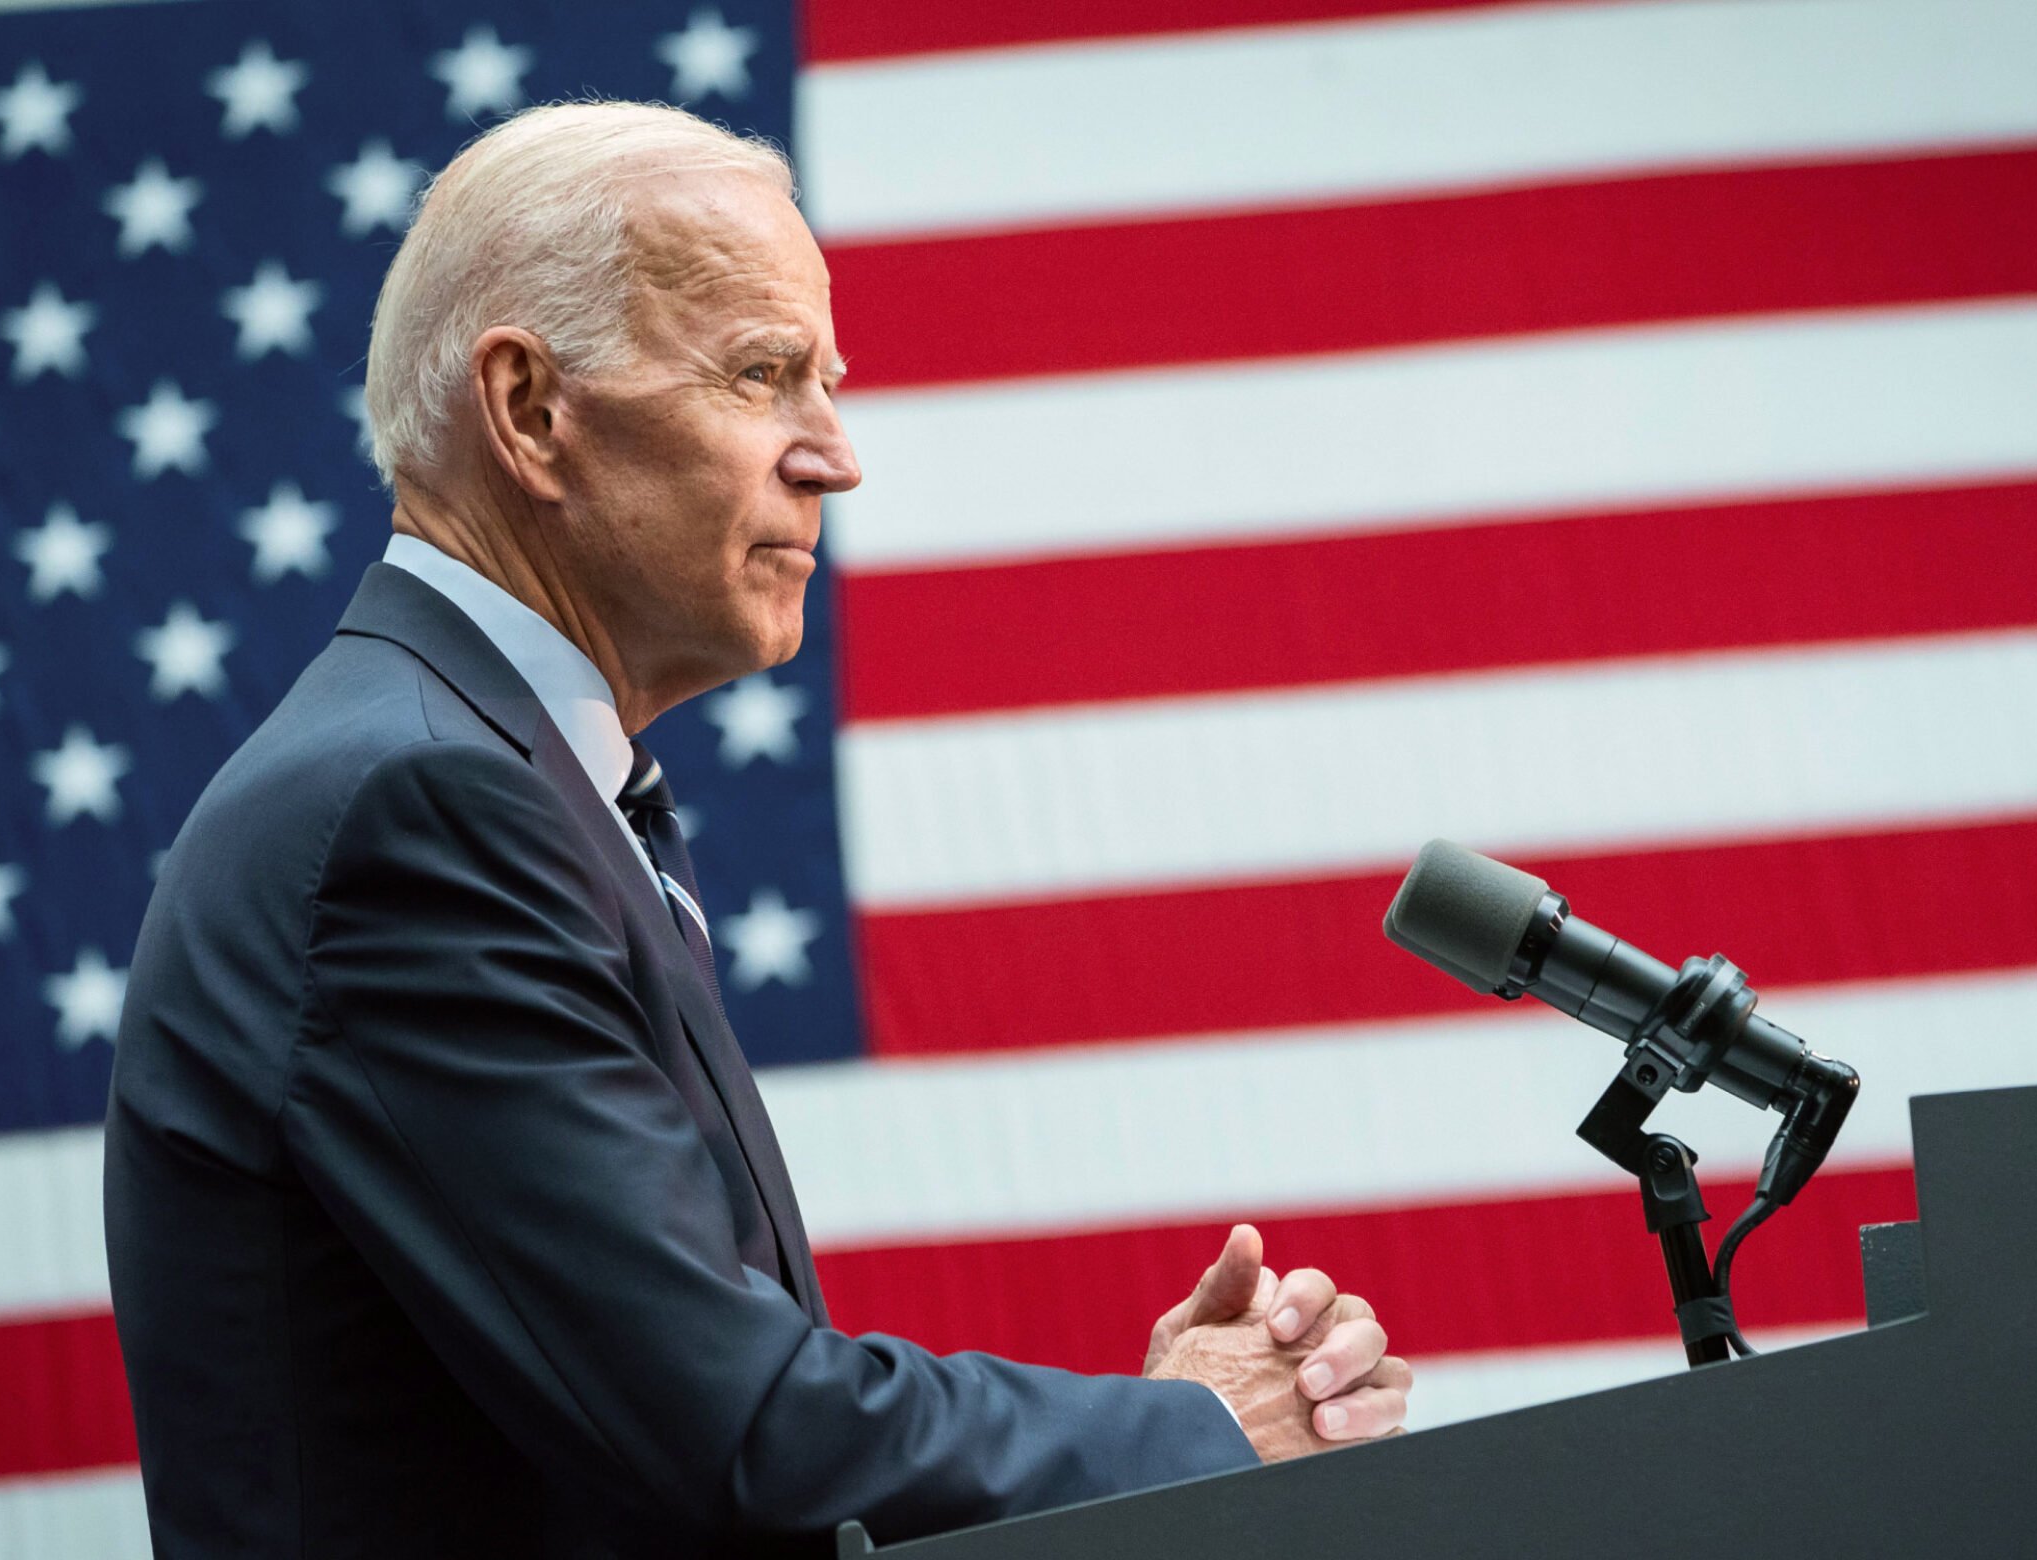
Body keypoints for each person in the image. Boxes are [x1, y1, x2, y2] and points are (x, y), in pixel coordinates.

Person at [102, 100, 1408, 1557]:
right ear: (531, 410)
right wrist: (1188, 1432)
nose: (834, 457)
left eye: (827, 382)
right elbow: (734, 1436)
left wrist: (1154, 1424)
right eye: (764, 374)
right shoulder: (421, 810)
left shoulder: (488, 777)